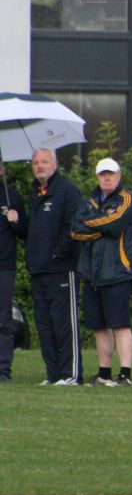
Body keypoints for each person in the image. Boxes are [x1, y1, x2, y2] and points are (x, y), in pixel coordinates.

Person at [70, 158, 132, 386]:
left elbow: (115, 223)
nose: (107, 178)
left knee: (119, 323)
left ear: (119, 176)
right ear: (97, 177)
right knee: (99, 326)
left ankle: (126, 374)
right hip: (92, 273)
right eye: (102, 174)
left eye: (110, 174)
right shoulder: (89, 201)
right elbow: (74, 231)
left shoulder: (127, 200)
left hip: (117, 271)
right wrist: (100, 228)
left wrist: (91, 223)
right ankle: (104, 372)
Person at [26, 148, 83, 386]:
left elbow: (75, 225)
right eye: (36, 162)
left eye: (44, 162)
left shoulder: (66, 190)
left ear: (55, 164)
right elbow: (32, 232)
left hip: (61, 269)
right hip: (38, 270)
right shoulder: (36, 193)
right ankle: (53, 374)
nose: (40, 166)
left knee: (63, 323)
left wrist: (58, 253)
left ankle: (70, 374)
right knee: (45, 324)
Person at [0, 162, 29, 384]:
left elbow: (24, 232)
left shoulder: (12, 197)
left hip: (4, 265)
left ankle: (3, 370)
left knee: (3, 319)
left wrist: (16, 221)